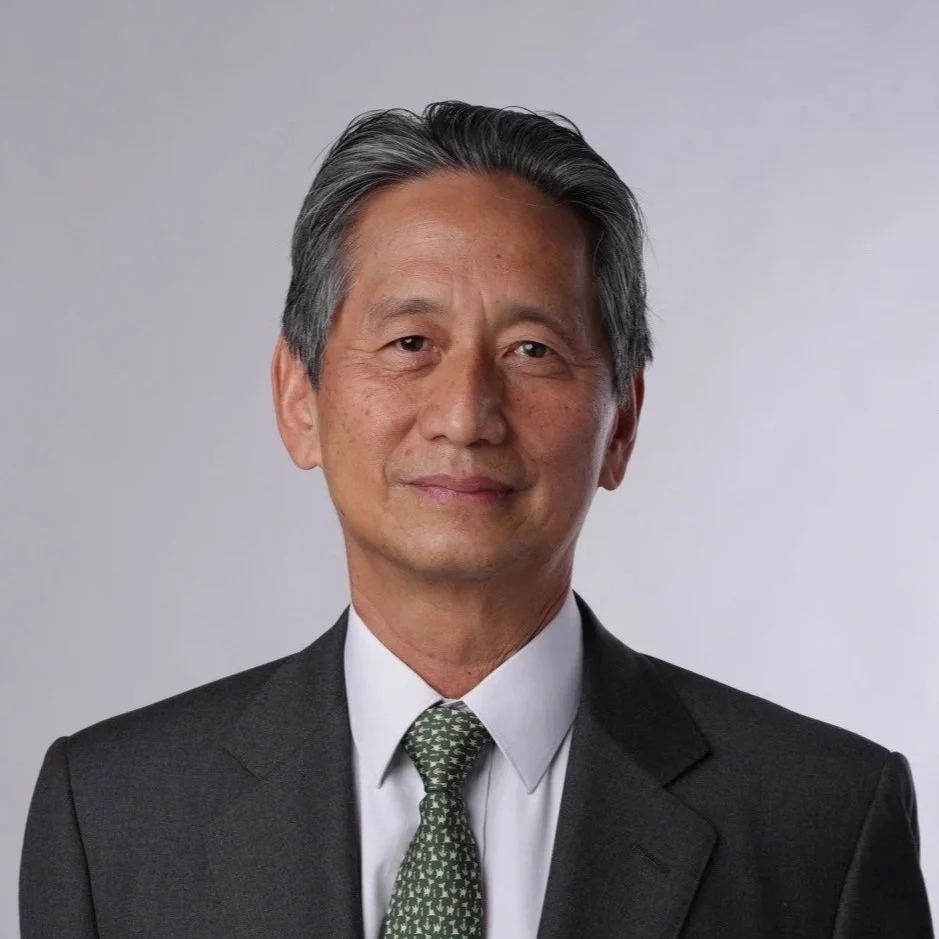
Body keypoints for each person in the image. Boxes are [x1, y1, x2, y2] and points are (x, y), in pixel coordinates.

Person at [19, 100, 933, 939]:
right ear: (299, 398)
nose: (464, 413)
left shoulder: (821, 819)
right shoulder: (110, 814)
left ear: (622, 424)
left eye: (532, 350)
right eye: (410, 343)